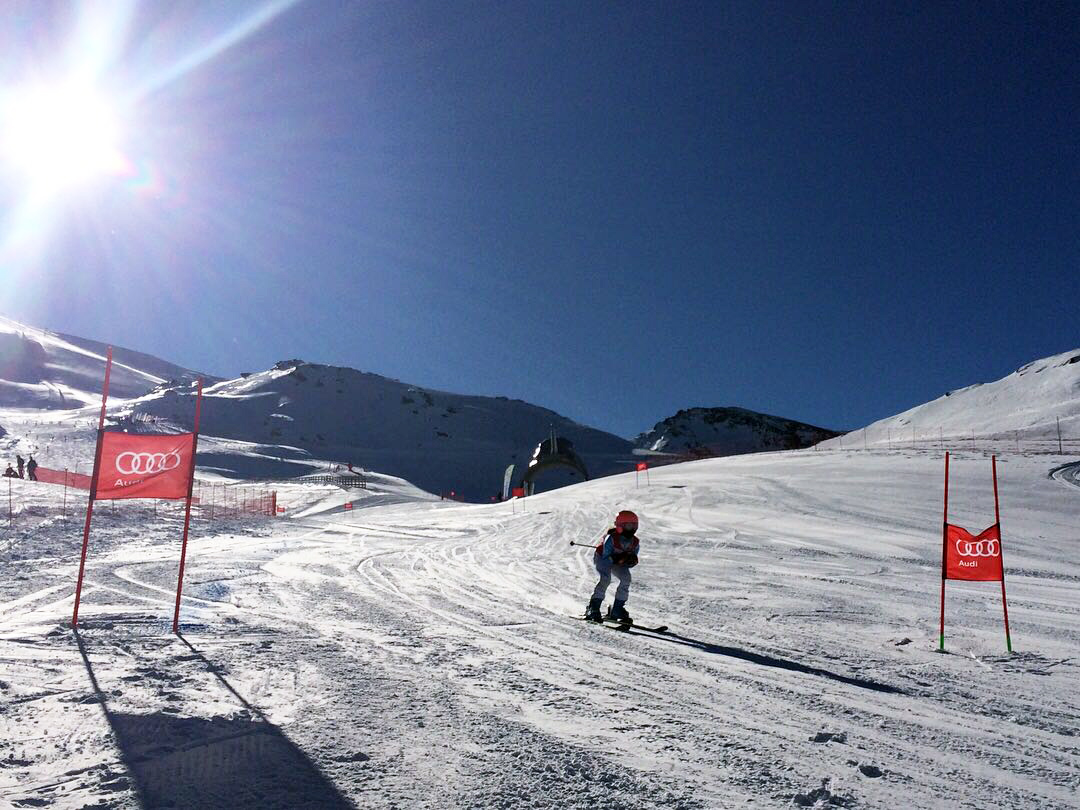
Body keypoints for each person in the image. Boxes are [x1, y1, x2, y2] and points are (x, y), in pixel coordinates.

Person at [585, 510, 641, 623]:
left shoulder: (635, 542)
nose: (631, 529)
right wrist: (621, 558)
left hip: (618, 562)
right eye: (628, 526)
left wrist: (630, 560)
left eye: (633, 526)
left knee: (626, 579)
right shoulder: (611, 538)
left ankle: (617, 609)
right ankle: (593, 607)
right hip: (603, 559)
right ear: (620, 526)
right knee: (606, 579)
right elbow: (606, 556)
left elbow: (631, 559)